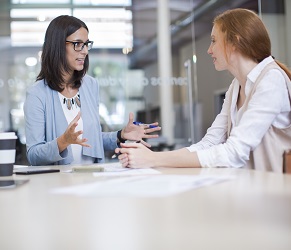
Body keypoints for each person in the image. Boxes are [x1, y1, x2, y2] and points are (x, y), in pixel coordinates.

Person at [115, 8, 291, 172]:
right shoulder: (236, 86)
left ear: (235, 42)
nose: (209, 50)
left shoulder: (271, 80)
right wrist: (149, 158)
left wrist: (153, 159)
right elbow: (210, 143)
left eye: (214, 41)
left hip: (274, 192)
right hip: (250, 188)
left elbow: (235, 152)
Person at [24, 15, 161, 166]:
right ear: (57, 45)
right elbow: (33, 155)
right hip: (58, 183)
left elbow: (92, 139)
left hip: (91, 178)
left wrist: (121, 135)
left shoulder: (90, 85)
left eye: (86, 44)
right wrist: (62, 142)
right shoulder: (37, 94)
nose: (85, 51)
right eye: (77, 44)